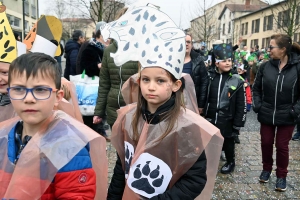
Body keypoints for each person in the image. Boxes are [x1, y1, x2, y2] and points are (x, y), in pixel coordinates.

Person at [104, 4, 223, 200]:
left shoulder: (185, 127)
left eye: (160, 81)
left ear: (175, 85)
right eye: (146, 79)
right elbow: (122, 168)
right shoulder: (128, 118)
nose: (151, 87)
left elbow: (195, 180)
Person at [0, 53, 108, 199]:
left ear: (58, 97)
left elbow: (75, 194)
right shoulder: (4, 137)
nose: (29, 98)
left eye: (40, 90)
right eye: (19, 89)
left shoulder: (69, 146)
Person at [252, 34, 300, 192]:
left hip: (288, 114)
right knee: (266, 143)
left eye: (271, 47)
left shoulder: (297, 66)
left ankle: (281, 176)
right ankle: (266, 169)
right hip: (266, 111)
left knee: (282, 146)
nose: (268, 50)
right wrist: (257, 104)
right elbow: (256, 87)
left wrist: (295, 110)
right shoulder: (265, 66)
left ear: (283, 49)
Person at [204, 43, 246, 174]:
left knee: (228, 141)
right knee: (212, 141)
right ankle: (211, 160)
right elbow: (204, 95)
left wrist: (238, 122)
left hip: (228, 118)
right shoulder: (210, 77)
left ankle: (230, 161)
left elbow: (241, 103)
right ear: (216, 63)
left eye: (229, 60)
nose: (227, 63)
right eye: (224, 61)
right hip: (211, 116)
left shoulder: (236, 80)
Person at [93, 8, 139, 129]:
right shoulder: (109, 50)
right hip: (114, 111)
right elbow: (104, 84)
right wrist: (99, 111)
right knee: (120, 147)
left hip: (136, 111)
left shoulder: (141, 50)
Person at [77, 23, 109, 140]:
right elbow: (84, 68)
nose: (108, 38)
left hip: (100, 86)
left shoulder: (103, 48)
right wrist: (100, 66)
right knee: (90, 111)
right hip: (90, 86)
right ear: (100, 34)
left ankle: (100, 132)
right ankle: (90, 136)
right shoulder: (89, 47)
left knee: (98, 110)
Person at [183, 34, 208, 114]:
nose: (186, 44)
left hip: (193, 101)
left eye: (188, 42)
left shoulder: (198, 60)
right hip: (175, 102)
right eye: (183, 42)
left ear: (191, 45)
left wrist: (201, 104)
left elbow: (204, 82)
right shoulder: (172, 61)